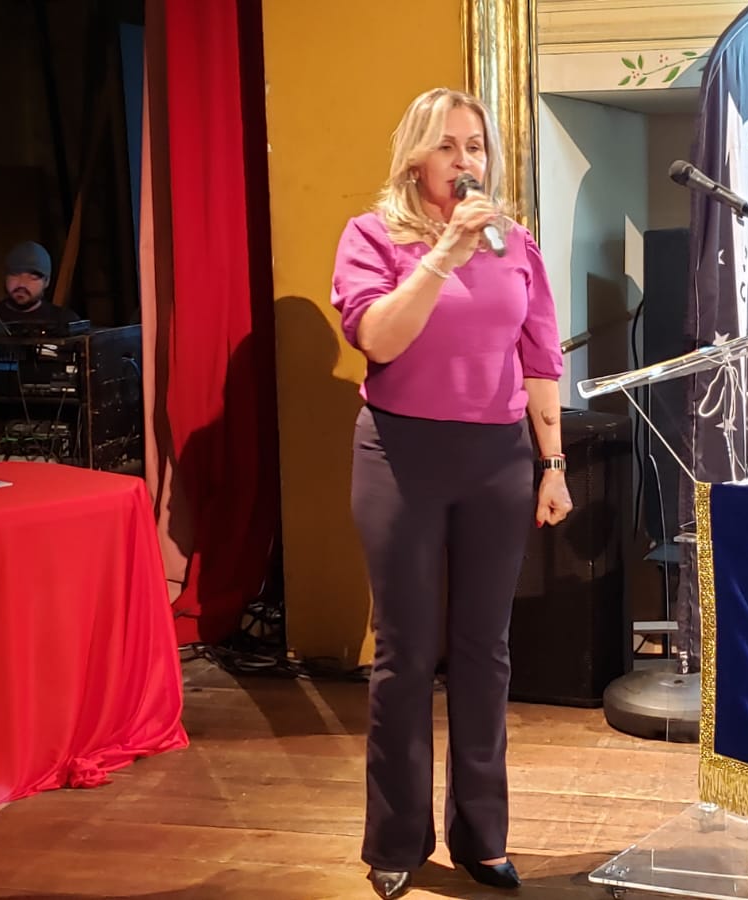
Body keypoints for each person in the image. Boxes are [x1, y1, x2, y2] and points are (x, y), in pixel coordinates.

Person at [330, 87, 571, 900]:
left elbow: (540, 360)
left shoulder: (516, 245)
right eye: (447, 145)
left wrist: (552, 464)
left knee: (484, 650)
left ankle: (483, 835)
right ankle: (397, 839)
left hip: (497, 458)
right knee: (404, 653)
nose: (465, 161)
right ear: (415, 158)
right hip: (401, 454)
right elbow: (379, 338)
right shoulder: (372, 236)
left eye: (475, 146)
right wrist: (445, 252)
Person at [0, 241, 80, 328]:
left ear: (46, 282)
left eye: (33, 277)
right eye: (15, 274)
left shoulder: (66, 322)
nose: (22, 283)